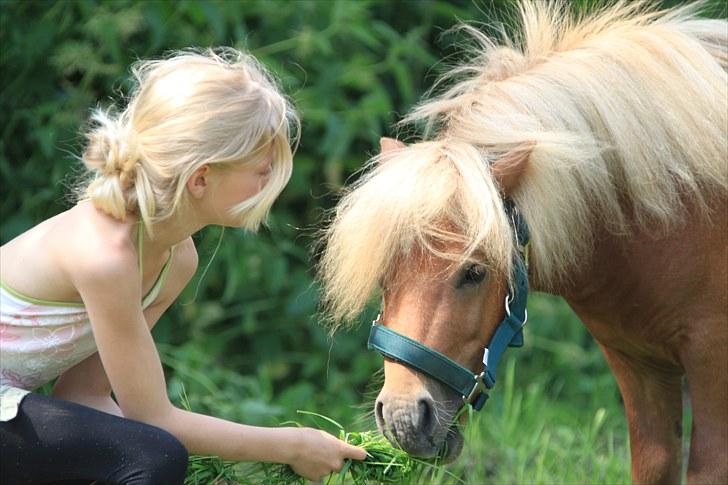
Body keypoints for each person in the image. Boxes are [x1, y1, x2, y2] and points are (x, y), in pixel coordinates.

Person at [0, 48, 366, 484]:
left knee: (142, 453)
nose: (269, 184)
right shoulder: (105, 256)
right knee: (154, 455)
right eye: (261, 172)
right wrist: (293, 445)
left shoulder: (176, 258)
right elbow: (157, 420)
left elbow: (84, 394)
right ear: (201, 179)